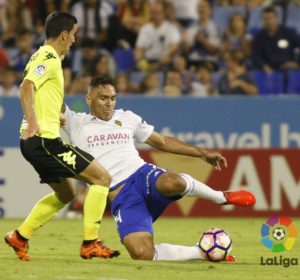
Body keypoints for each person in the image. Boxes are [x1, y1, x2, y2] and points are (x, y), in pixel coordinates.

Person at [62, 75, 256, 261]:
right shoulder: (75, 121)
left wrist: (202, 153)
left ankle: (221, 197)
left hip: (141, 176)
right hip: (121, 196)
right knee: (141, 253)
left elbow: (161, 141)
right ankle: (203, 253)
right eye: (103, 98)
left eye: (113, 98)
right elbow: (50, 99)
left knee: (174, 182)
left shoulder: (127, 117)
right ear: (88, 98)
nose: (109, 103)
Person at [4, 12, 119, 262]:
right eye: (74, 35)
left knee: (66, 195)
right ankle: (91, 243)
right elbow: (26, 87)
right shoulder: (48, 57)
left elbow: (41, 92)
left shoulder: (42, 55)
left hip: (35, 142)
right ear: (65, 34)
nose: (75, 40)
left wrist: (55, 114)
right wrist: (35, 122)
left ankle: (19, 237)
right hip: (44, 141)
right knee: (102, 178)